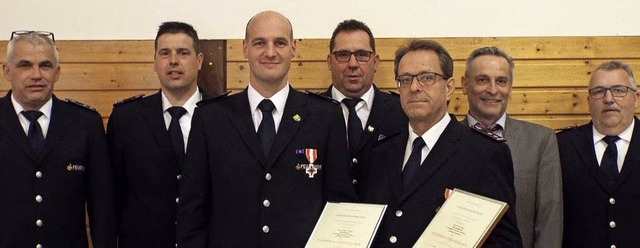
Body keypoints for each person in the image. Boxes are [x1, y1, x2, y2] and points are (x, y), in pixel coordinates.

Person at [177, 11, 357, 247]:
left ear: (293, 48)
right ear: (244, 48)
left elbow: (339, 207)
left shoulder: (325, 116)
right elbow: (193, 209)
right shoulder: (211, 118)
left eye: (280, 43)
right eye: (259, 43)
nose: (270, 52)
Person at [359, 40, 522, 247]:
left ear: (449, 87)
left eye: (427, 78)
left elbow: (505, 242)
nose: (415, 87)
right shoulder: (380, 151)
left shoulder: (484, 154)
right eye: (405, 79)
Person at [0, 31, 115, 247]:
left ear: (57, 72)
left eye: (45, 65)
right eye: (25, 65)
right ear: (7, 71)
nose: (36, 74)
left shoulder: (85, 124)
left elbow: (102, 208)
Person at [106, 22, 204, 248]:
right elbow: (112, 197)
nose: (173, 61)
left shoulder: (222, 115)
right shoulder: (126, 119)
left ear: (198, 61)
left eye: (183, 52)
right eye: (165, 53)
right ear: (154, 61)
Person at [459, 46, 563, 248]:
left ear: (511, 87)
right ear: (464, 85)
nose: (492, 89)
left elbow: (549, 220)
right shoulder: (446, 138)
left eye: (501, 81)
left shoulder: (540, 141)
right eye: (482, 80)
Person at [558, 61, 640, 247]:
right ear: (588, 102)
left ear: (636, 98)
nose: (609, 99)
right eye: (599, 91)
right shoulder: (561, 147)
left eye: (619, 90)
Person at [322, 19, 406, 192]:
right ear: (330, 62)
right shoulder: (311, 113)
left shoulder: (401, 112)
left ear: (375, 62)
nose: (353, 64)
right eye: (343, 55)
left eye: (362, 55)